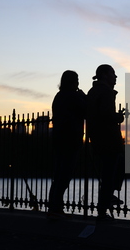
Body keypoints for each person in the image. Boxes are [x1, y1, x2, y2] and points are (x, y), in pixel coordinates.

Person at [87, 64, 125, 222]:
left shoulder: (93, 91)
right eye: (113, 74)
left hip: (97, 137)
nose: (115, 77)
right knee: (112, 171)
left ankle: (107, 200)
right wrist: (119, 117)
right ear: (104, 75)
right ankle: (104, 206)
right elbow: (106, 115)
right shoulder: (105, 92)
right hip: (108, 138)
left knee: (108, 173)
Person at [47, 70, 86, 219]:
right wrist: (84, 97)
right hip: (71, 140)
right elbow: (86, 111)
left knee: (59, 175)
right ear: (73, 81)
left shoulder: (59, 96)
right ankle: (56, 208)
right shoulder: (73, 96)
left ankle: (54, 207)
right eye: (77, 80)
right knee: (65, 175)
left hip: (59, 139)